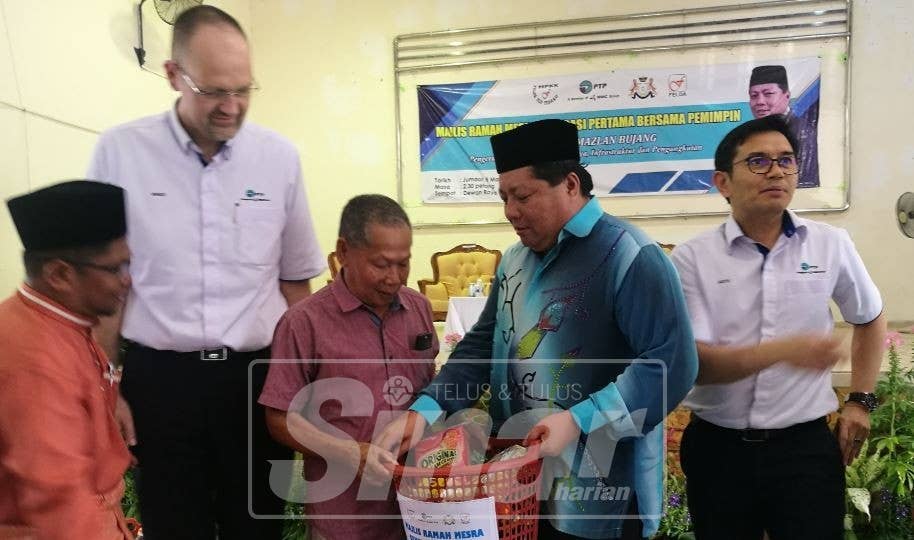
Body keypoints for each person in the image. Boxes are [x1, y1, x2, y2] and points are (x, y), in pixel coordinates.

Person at [377, 119, 698, 539]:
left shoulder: (628, 256)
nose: (510, 211)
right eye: (504, 197)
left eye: (523, 196)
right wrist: (425, 411)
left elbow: (671, 363)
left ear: (570, 184)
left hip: (599, 490)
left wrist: (579, 420)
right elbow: (481, 347)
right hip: (518, 484)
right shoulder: (514, 261)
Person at [86, 6, 325, 539]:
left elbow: (294, 285)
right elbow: (105, 288)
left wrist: (304, 380)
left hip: (255, 381)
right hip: (159, 384)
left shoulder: (278, 159)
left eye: (243, 89)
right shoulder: (121, 153)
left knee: (256, 527)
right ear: (174, 75)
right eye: (215, 91)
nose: (231, 106)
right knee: (173, 527)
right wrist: (108, 388)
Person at [670, 116, 886, 539]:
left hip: (804, 450)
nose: (776, 171)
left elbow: (870, 316)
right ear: (723, 182)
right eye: (758, 161)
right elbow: (698, 364)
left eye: (786, 160)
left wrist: (861, 400)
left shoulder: (829, 244)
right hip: (719, 451)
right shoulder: (692, 259)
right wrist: (783, 351)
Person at [258, 194, 438, 540]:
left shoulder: (418, 308)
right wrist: (350, 455)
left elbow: (429, 391)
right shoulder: (304, 322)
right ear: (343, 251)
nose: (394, 278)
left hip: (417, 511)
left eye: (403, 264)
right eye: (381, 264)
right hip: (345, 517)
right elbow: (279, 418)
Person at [0, 180, 134, 539]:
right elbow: (59, 501)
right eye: (116, 269)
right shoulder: (35, 360)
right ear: (59, 275)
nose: (128, 281)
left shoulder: (60, 323)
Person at [748, 65, 819, 188]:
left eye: (768, 94)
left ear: (787, 96)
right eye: (754, 96)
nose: (760, 102)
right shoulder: (751, 134)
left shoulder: (803, 134)